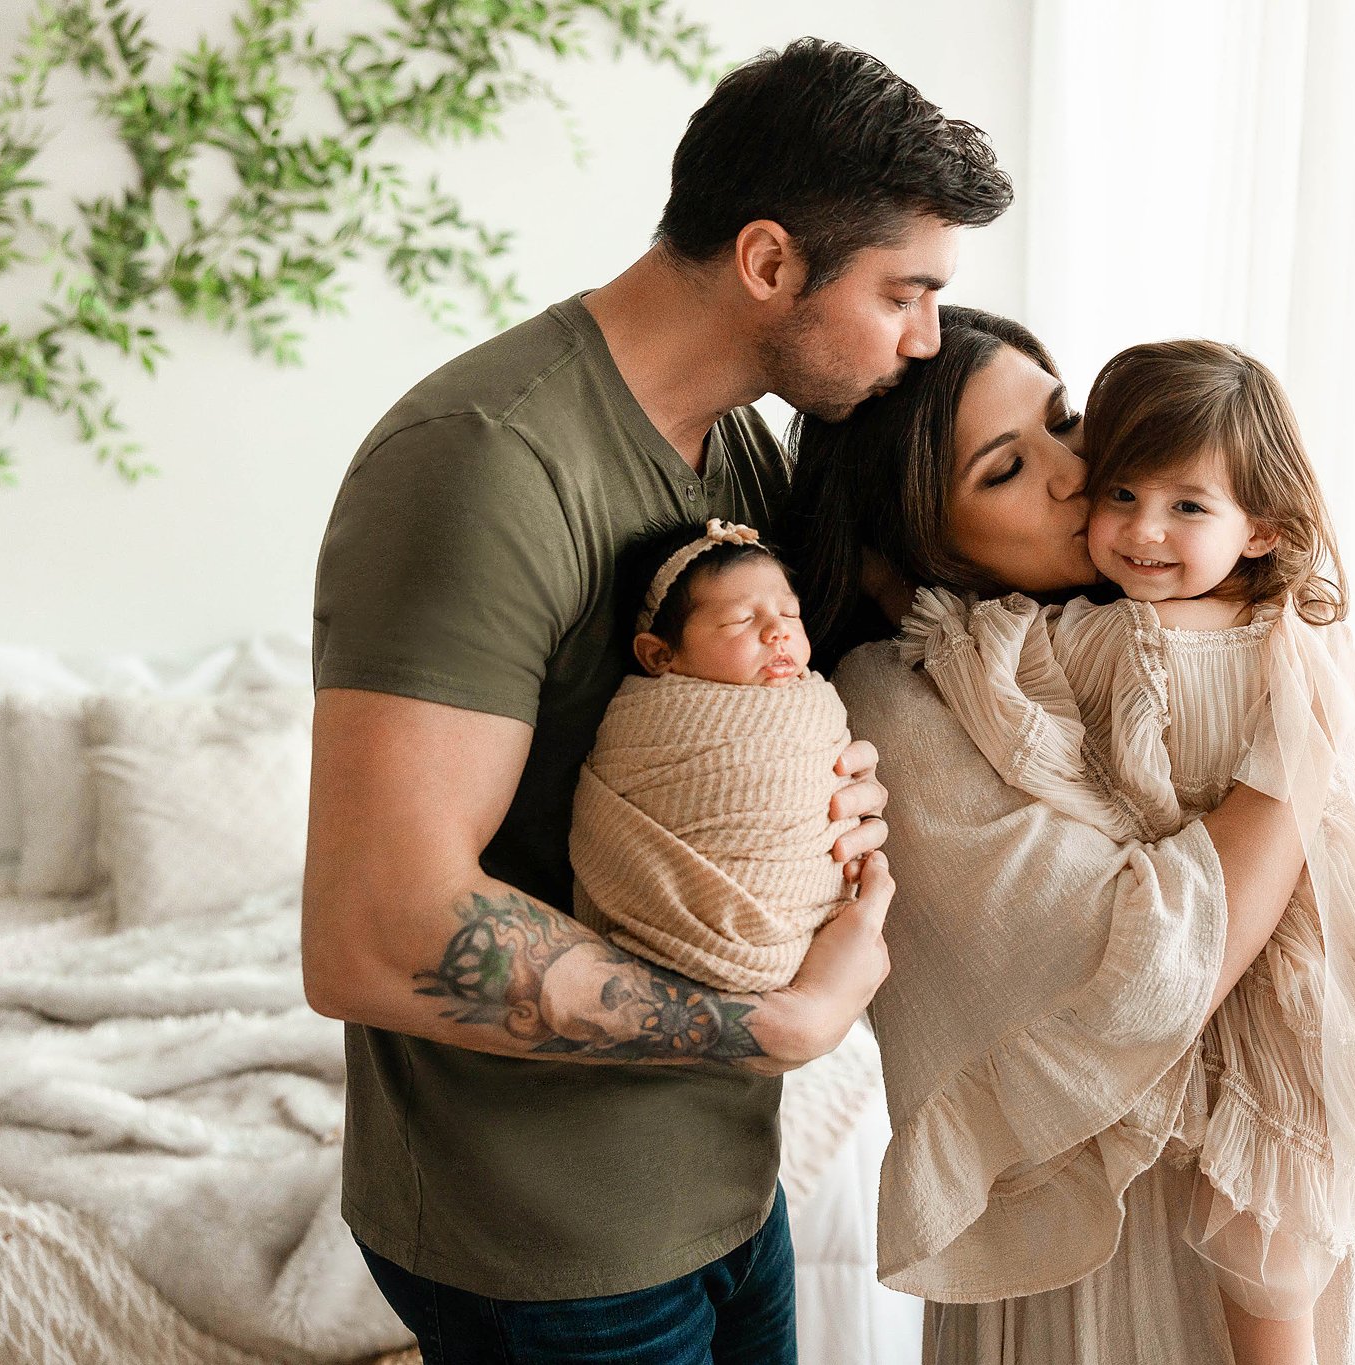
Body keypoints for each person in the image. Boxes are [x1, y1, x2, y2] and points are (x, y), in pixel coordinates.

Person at [301, 39, 1009, 1363]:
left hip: (725, 1190)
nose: (924, 342)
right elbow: (374, 926)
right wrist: (775, 1026)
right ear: (767, 262)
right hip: (550, 1243)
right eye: (906, 294)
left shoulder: (737, 445)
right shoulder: (481, 466)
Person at [892, 339, 1355, 1364]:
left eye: (1185, 507)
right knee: (1266, 1246)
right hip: (1200, 947)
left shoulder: (1275, 650)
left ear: (1260, 527)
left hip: (1295, 958)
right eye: (1121, 492)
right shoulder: (1116, 636)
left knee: (1273, 1237)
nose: (1138, 530)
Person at [782, 307, 1355, 1364]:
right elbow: (1140, 974)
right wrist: (1294, 760)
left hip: (1293, 1169)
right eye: (1004, 469)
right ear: (902, 549)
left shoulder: (1179, 622)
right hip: (1111, 1232)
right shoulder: (899, 699)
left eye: (1064, 420)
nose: (1077, 475)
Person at [569, 519, 859, 994]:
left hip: (797, 929)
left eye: (790, 614)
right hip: (656, 950)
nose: (777, 633)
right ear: (660, 657)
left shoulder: (813, 704)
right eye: (741, 621)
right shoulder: (650, 724)